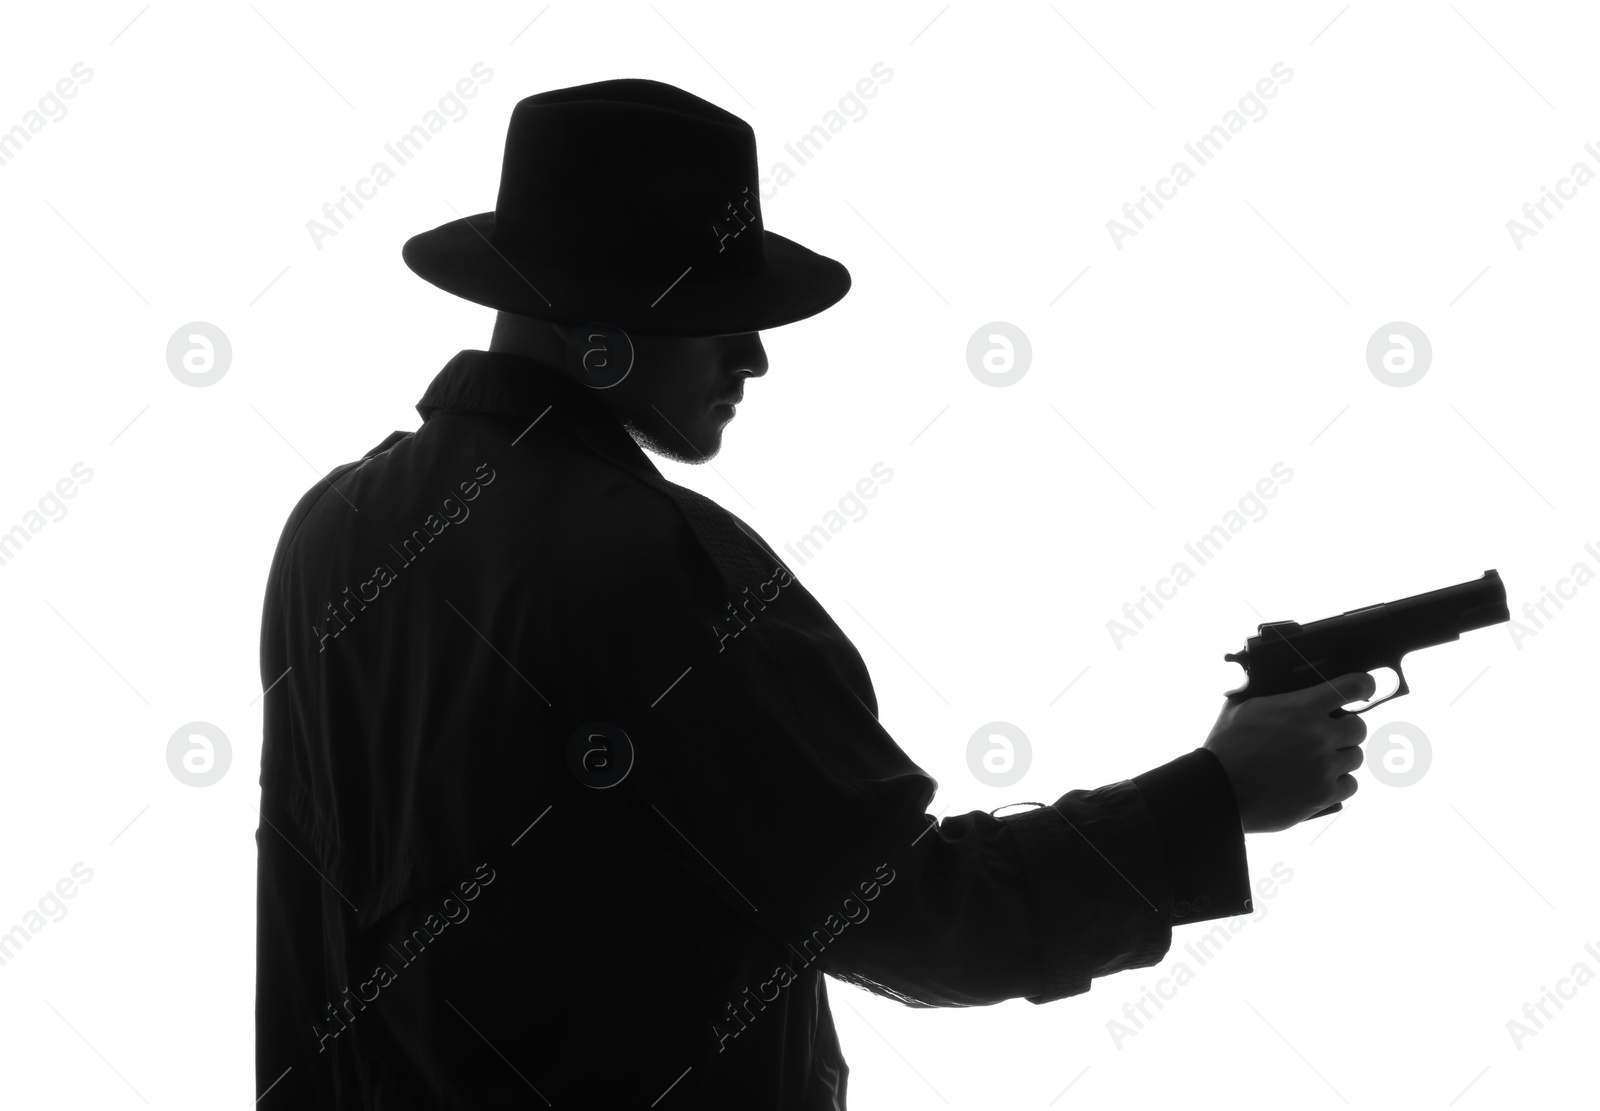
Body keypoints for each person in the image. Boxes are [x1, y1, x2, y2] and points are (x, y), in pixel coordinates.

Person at [254, 78, 1373, 1109]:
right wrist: (1216, 799)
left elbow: (306, 961)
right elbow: (920, 918)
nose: (753, 356)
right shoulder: (656, 566)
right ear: (595, 320)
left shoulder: (332, 530)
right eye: (712, 312)